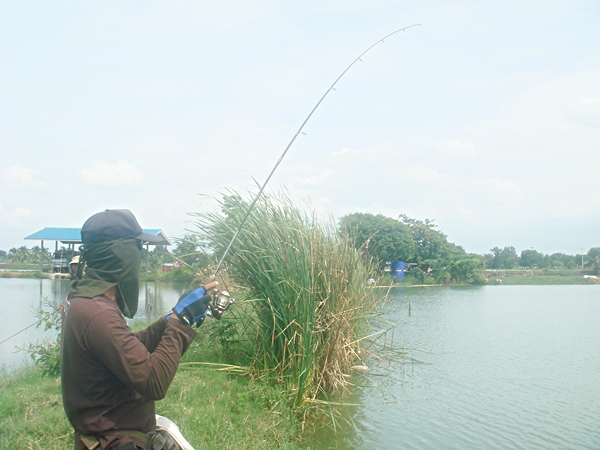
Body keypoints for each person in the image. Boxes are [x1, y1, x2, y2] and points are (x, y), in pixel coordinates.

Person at [60, 209, 217, 450]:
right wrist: (181, 321)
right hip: (115, 442)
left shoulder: (83, 301)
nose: (140, 256)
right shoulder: (98, 314)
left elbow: (123, 346)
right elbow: (154, 382)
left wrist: (169, 320)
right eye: (138, 248)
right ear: (121, 255)